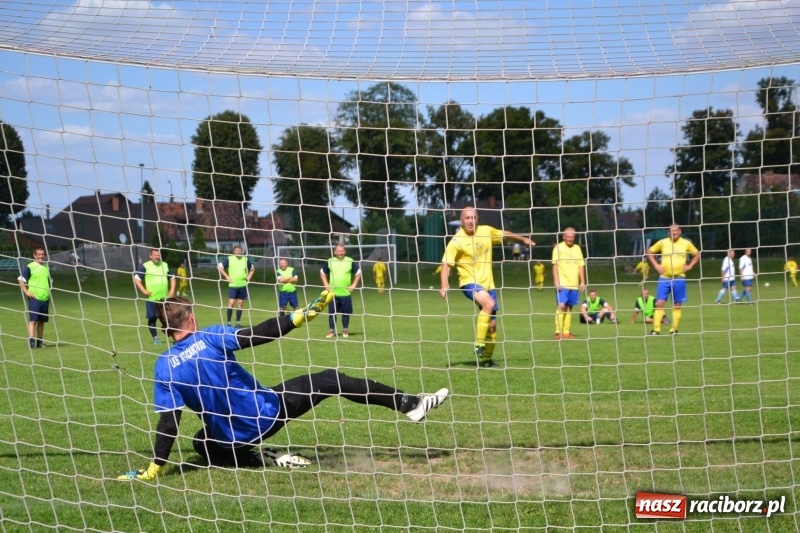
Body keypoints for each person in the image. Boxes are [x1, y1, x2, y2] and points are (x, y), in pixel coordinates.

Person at [117, 291, 449, 480]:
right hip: (267, 413)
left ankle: (264, 458)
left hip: (233, 437)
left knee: (202, 442)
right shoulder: (212, 336)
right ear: (188, 318)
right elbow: (259, 335)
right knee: (329, 379)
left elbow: (168, 421)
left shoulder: (163, 366)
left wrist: (154, 468)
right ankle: (409, 404)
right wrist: (298, 317)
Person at [439, 206, 535, 367]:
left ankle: (486, 360)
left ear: (477, 219)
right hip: (469, 282)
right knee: (489, 304)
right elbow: (446, 265)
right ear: (462, 220)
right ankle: (478, 343)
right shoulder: (456, 241)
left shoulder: (486, 231)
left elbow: (504, 234)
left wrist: (523, 239)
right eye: (467, 218)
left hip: (488, 284)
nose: (471, 221)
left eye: (473, 217)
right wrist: (444, 284)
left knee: (492, 326)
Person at [646, 225, 700, 335]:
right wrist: (656, 265)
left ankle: (673, 329)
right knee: (660, 303)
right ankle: (656, 330)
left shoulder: (686, 243)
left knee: (677, 304)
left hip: (679, 278)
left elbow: (697, 254)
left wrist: (690, 266)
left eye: (676, 230)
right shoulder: (662, 242)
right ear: (668, 232)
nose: (674, 232)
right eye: (671, 231)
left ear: (680, 231)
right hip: (664, 278)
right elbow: (649, 252)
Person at [134, 248, 176, 344]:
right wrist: (144, 291)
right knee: (152, 317)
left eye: (158, 255)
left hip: (164, 299)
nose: (157, 257)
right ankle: (155, 338)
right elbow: (136, 279)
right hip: (152, 298)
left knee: (168, 318)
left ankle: (175, 338)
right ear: (150, 256)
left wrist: (172, 290)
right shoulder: (145, 266)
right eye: (155, 255)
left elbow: (172, 278)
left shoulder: (165, 265)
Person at [320, 243, 362, 338]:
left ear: (345, 251)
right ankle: (331, 331)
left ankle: (345, 330)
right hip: (333, 293)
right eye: (338, 251)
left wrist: (354, 284)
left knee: (346, 313)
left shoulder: (350, 261)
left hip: (345, 293)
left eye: (342, 251)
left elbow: (358, 273)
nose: (340, 253)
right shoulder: (330, 261)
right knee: (332, 313)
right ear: (335, 252)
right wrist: (326, 284)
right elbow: (322, 272)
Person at [552, 227, 586, 340]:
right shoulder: (558, 248)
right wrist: (556, 281)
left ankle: (566, 332)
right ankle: (558, 332)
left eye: (572, 237)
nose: (570, 239)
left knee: (569, 308)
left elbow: (581, 266)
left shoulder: (577, 249)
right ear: (563, 236)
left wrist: (582, 282)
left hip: (574, 284)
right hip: (562, 283)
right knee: (561, 306)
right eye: (568, 237)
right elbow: (554, 266)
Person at [18, 247, 51, 348]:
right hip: (35, 299)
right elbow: (20, 279)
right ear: (34, 255)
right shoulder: (30, 267)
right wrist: (26, 291)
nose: (41, 256)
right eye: (39, 254)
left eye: (42, 254)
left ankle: (39, 342)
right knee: (33, 321)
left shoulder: (46, 267)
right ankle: (32, 342)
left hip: (45, 298)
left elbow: (48, 281)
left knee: (42, 321)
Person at [217, 245, 255, 327]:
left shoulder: (245, 259)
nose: (238, 252)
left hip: (242, 285)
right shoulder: (229, 259)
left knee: (240, 303)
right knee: (231, 302)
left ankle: (237, 323)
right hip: (233, 285)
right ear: (234, 251)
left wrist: (249, 276)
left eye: (239, 250)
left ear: (241, 251)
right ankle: (229, 323)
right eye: (236, 250)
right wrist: (226, 276)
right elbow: (219, 267)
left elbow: (252, 269)